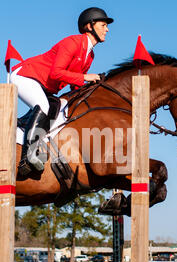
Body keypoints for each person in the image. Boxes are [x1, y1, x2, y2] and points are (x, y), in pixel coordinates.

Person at [10, 7, 114, 176]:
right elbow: (56, 73)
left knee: (59, 108)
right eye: (103, 25)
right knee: (43, 106)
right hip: (25, 75)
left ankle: (37, 144)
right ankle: (27, 157)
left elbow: (75, 85)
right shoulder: (72, 42)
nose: (107, 29)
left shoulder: (90, 55)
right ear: (90, 26)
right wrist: (86, 77)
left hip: (44, 85)